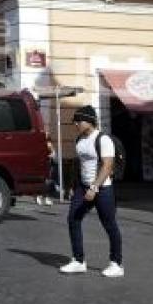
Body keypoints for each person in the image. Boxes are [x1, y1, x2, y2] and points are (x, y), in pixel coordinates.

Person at [59, 105, 124, 278]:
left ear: (89, 121)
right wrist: (74, 186)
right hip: (83, 187)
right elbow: (79, 164)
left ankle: (116, 263)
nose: (76, 125)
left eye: (78, 121)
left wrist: (94, 187)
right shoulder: (80, 140)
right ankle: (79, 261)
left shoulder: (103, 139)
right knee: (73, 219)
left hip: (103, 188)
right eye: (75, 122)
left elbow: (108, 165)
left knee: (109, 225)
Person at [36, 137, 57, 206]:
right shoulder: (42, 144)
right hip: (43, 165)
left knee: (48, 181)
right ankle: (41, 196)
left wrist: (49, 156)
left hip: (48, 165)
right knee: (45, 181)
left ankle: (45, 197)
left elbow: (53, 155)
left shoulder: (49, 145)